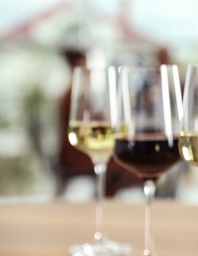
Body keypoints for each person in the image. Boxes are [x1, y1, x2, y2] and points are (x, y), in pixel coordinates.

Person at [56, 48, 140, 197]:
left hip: (80, 154)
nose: (88, 71)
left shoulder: (80, 95)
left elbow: (92, 119)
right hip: (76, 157)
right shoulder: (71, 96)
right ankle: (108, 199)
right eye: (84, 66)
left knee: (124, 165)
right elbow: (83, 125)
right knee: (125, 166)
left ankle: (108, 200)